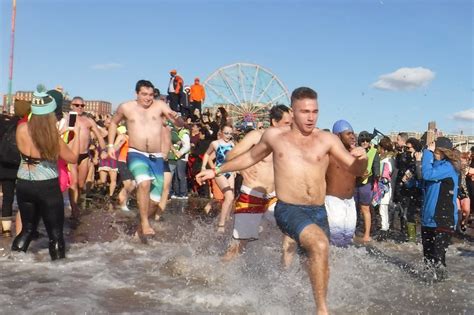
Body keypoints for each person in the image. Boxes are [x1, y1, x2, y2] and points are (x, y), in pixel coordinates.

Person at [197, 87, 367, 313]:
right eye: (304, 111)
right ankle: (322, 311)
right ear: (293, 112)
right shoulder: (274, 137)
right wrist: (217, 171)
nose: (310, 117)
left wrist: (362, 160)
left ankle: (291, 298)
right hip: (288, 208)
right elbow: (248, 157)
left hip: (318, 210)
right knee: (320, 244)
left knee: (317, 260)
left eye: (315, 111)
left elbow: (354, 168)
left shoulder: (326, 139)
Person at [108, 80, 183, 237]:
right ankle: (144, 223)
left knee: (155, 202)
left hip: (156, 157)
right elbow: (113, 123)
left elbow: (178, 122)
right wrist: (110, 146)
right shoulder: (126, 107)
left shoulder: (160, 106)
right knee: (144, 183)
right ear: (137, 93)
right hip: (136, 153)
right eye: (144, 94)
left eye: (150, 95)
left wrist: (178, 119)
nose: (148, 98)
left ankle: (139, 229)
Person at [11, 88, 80, 260]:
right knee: (55, 234)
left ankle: (13, 263)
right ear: (50, 113)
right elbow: (72, 158)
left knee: (26, 230)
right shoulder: (51, 136)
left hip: (24, 182)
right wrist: (75, 136)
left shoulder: (21, 128)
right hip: (46, 185)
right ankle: (58, 274)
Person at [222, 104, 292, 261]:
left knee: (290, 234)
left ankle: (285, 276)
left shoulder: (288, 142)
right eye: (287, 124)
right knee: (239, 246)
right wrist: (241, 170)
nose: (291, 127)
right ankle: (217, 276)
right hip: (252, 195)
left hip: (274, 196)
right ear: (274, 122)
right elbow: (230, 156)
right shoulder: (256, 136)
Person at [420, 137, 459, 280]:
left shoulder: (448, 167)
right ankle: (428, 291)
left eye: (434, 150)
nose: (432, 152)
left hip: (443, 219)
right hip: (428, 220)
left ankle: (443, 288)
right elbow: (424, 180)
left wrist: (427, 153)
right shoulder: (433, 166)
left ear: (442, 152)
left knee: (438, 259)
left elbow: (427, 174)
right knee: (428, 259)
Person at [61, 96, 105, 220]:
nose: (79, 107)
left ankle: (76, 203)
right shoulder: (68, 119)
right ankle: (74, 208)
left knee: (81, 185)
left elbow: (100, 135)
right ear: (71, 106)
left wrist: (105, 150)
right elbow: (62, 134)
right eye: (77, 105)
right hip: (71, 155)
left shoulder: (88, 121)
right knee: (73, 183)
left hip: (85, 155)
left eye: (82, 106)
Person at [324, 119, 358, 247]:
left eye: (353, 133)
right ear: (338, 136)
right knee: (335, 239)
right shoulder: (329, 154)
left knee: (348, 239)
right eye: (348, 134)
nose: (353, 136)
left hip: (350, 201)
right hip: (333, 201)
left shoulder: (354, 154)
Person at [201, 125, 235, 232]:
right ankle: (221, 224)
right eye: (226, 133)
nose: (228, 136)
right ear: (221, 132)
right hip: (219, 172)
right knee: (228, 196)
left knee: (231, 197)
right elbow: (207, 154)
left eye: (230, 134)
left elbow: (234, 158)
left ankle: (226, 217)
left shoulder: (232, 144)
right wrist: (203, 166)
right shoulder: (215, 143)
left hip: (230, 171)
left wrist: (234, 170)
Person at [354, 131, 379, 243]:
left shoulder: (374, 152)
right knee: (353, 209)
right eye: (362, 141)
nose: (364, 142)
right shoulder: (354, 151)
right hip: (354, 183)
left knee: (365, 209)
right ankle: (353, 232)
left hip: (366, 184)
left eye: (367, 141)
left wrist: (371, 175)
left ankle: (367, 234)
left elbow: (377, 171)